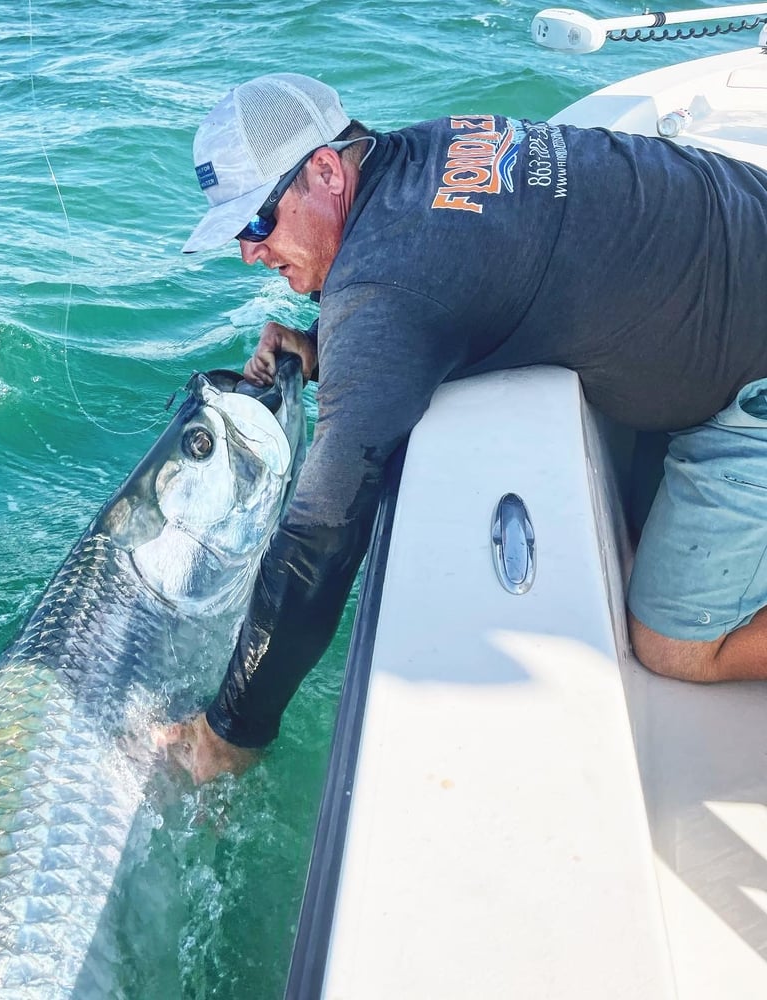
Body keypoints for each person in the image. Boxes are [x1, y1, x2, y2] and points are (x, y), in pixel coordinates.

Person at [159, 72, 767, 784]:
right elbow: (456, 266)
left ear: (326, 170)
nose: (248, 253)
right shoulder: (431, 147)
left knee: (673, 645)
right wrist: (327, 345)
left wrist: (233, 728)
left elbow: (321, 533)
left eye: (257, 223)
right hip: (744, 214)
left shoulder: (385, 288)